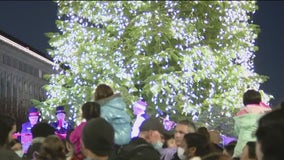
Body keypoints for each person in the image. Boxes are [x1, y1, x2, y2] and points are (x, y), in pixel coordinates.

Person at [233, 90, 271, 158]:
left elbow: (237, 131)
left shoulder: (242, 113)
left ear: (244, 101)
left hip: (243, 148)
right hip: (262, 148)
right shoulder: (267, 113)